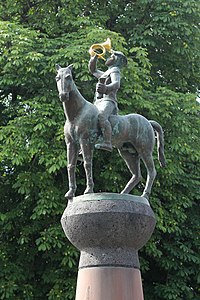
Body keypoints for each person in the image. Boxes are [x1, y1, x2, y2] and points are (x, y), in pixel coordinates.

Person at [89, 50, 127, 151]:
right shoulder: (106, 72)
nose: (108, 57)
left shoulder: (115, 70)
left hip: (109, 101)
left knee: (101, 116)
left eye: (111, 56)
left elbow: (116, 83)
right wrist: (94, 59)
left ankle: (107, 142)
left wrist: (106, 89)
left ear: (116, 59)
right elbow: (94, 71)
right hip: (98, 102)